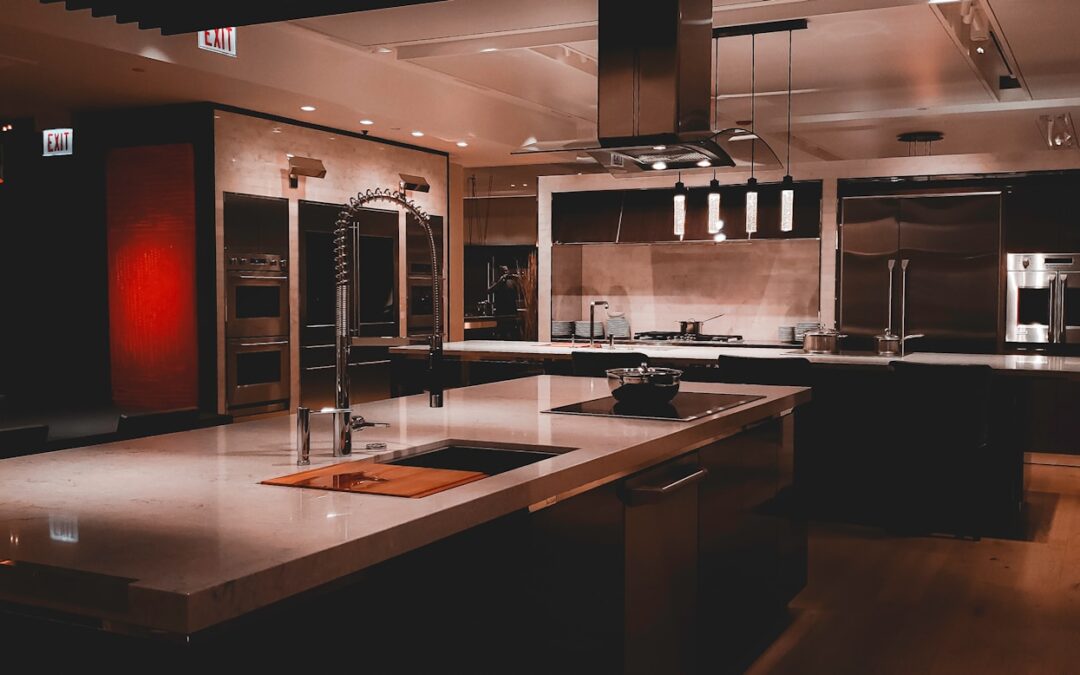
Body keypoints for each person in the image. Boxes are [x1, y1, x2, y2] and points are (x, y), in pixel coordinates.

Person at [486, 265, 522, 339]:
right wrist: (500, 281)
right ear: (499, 272)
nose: (505, 273)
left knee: (513, 332)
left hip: (511, 311)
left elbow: (519, 294)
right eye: (503, 271)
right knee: (502, 332)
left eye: (506, 271)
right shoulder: (496, 282)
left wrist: (519, 280)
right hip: (501, 312)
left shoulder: (512, 282)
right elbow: (489, 291)